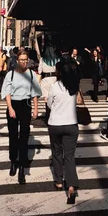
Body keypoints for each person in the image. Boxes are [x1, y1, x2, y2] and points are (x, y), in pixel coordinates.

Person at [2, 49, 42, 184]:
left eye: (26, 60)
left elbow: (35, 93)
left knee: (24, 135)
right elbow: (7, 92)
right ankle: (13, 161)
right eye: (21, 60)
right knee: (13, 135)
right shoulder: (11, 74)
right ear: (17, 61)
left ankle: (22, 168)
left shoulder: (31, 74)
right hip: (13, 105)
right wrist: (10, 108)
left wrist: (36, 109)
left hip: (26, 105)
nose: (24, 62)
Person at [47, 58, 80, 203]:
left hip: (55, 124)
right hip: (71, 124)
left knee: (57, 152)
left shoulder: (55, 86)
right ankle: (71, 185)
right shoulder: (74, 86)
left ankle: (59, 181)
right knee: (70, 156)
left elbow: (49, 104)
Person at [38, 44, 59, 122]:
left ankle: (48, 116)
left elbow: (40, 71)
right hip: (55, 79)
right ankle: (55, 115)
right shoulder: (57, 59)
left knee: (46, 98)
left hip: (46, 79)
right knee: (55, 98)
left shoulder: (42, 59)